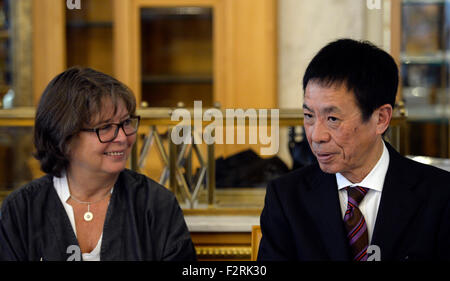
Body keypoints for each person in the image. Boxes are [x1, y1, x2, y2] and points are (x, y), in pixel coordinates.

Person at [258, 39, 450, 261]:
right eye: (309, 116)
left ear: (381, 118)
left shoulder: (440, 197)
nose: (316, 136)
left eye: (333, 119)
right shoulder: (286, 198)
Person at [0, 67, 197, 261]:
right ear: (65, 136)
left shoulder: (155, 204)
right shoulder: (21, 211)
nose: (122, 137)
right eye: (105, 127)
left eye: (126, 123)